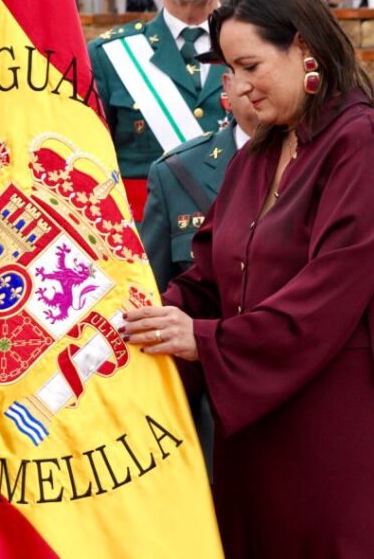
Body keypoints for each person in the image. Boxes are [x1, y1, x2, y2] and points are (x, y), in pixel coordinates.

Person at [125, 0, 374, 557]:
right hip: (258, 436)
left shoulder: (365, 144)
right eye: (230, 72)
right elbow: (207, 278)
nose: (238, 87)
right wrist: (145, 318)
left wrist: (204, 340)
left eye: (250, 66)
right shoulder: (257, 156)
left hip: (344, 434)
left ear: (303, 49)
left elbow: (327, 296)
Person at [139, 72, 256, 479]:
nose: (252, 86)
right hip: (207, 420)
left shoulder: (333, 159)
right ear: (225, 86)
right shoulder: (176, 172)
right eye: (243, 70)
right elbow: (148, 299)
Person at [88, 0, 232, 223]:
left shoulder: (258, 47)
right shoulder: (110, 56)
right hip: (148, 246)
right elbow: (90, 165)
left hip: (241, 240)